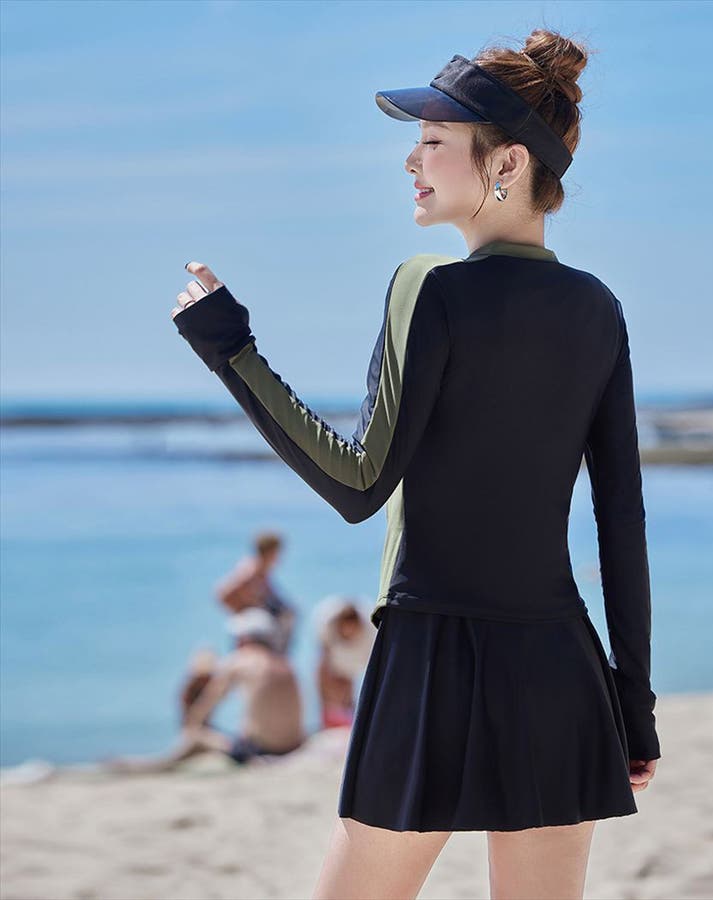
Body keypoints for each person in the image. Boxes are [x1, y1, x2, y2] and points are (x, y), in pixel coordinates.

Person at [171, 28, 660, 900]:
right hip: (559, 665)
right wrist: (635, 707)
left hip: (433, 657)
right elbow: (621, 517)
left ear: (506, 162)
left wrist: (231, 349)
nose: (411, 159)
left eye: (434, 141)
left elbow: (359, 485)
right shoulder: (598, 309)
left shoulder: (427, 286)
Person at [107, 608, 305, 773]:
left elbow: (204, 709)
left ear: (244, 637)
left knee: (196, 739)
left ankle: (153, 766)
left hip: (260, 750)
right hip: (293, 746)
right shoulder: (284, 663)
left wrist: (192, 727)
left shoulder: (239, 661)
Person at [215, 531, 297, 656]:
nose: (279, 557)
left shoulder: (263, 571)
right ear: (270, 551)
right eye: (277, 552)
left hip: (265, 622)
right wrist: (241, 610)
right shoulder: (251, 569)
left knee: (289, 614)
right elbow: (223, 593)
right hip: (255, 624)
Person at [313, 595, 376, 729]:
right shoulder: (327, 625)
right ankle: (333, 718)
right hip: (334, 663)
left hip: (352, 661)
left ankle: (349, 719)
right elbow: (323, 660)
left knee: (345, 694)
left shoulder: (368, 634)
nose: (349, 632)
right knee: (330, 686)